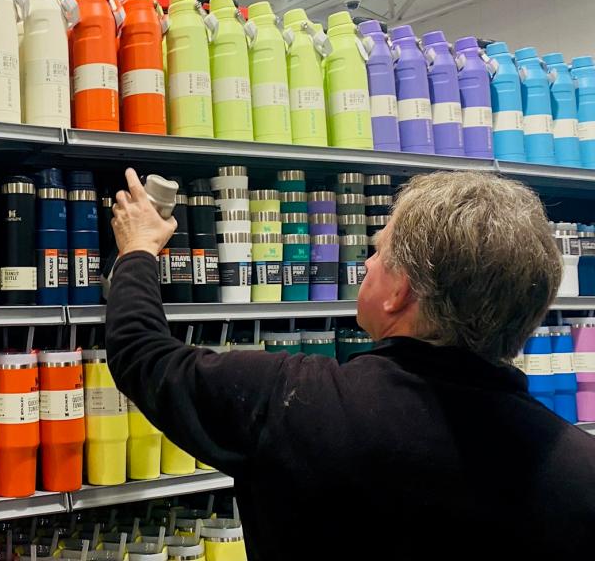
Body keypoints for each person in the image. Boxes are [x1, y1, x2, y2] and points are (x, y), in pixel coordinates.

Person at [106, 167, 595, 561]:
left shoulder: (292, 401)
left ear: (400, 292)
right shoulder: (578, 468)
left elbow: (142, 352)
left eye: (377, 251)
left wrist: (138, 251)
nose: (365, 264)